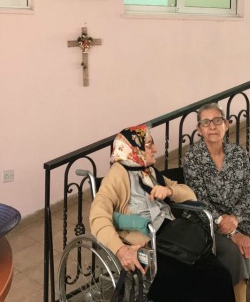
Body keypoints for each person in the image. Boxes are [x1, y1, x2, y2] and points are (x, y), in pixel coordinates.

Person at [90, 124, 234, 302]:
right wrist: (119, 250)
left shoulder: (148, 171)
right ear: (134, 149)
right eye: (149, 144)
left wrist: (169, 191)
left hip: (173, 233)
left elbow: (188, 194)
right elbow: (97, 216)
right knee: (189, 283)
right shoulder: (117, 174)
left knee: (220, 275)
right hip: (148, 240)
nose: (155, 149)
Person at [183, 103, 250, 302]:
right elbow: (199, 201)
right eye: (206, 122)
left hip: (239, 218)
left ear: (226, 124)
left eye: (217, 120)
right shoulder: (193, 157)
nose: (212, 126)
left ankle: (229, 289)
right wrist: (232, 232)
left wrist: (236, 220)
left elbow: (249, 195)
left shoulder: (238, 153)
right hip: (207, 222)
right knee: (236, 251)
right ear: (199, 129)